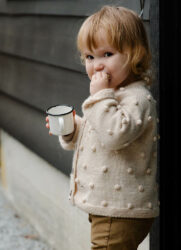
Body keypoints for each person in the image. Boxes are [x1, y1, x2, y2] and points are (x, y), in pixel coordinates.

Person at [45, 5, 159, 250]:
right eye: (90, 56)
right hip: (109, 206)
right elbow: (97, 131)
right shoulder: (112, 96)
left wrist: (100, 97)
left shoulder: (137, 98)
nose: (96, 65)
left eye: (107, 54)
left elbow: (114, 134)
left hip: (121, 210)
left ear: (135, 54)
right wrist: (72, 130)